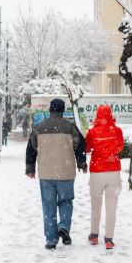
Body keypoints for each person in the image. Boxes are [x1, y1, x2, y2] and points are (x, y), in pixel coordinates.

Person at [25, 98, 86, 250]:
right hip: (65, 173)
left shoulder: (40, 127)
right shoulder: (70, 127)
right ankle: (64, 226)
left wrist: (30, 169)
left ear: (50, 110)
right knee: (66, 201)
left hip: (46, 173)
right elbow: (81, 145)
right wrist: (81, 162)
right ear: (62, 110)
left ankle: (51, 240)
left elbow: (31, 149)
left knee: (48, 206)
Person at [85, 105, 124, 250]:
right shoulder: (117, 130)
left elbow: (87, 148)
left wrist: (98, 150)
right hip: (113, 172)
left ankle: (94, 235)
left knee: (96, 205)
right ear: (110, 115)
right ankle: (109, 239)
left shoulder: (92, 131)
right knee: (111, 206)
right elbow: (120, 146)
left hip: (97, 171)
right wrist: (111, 155)